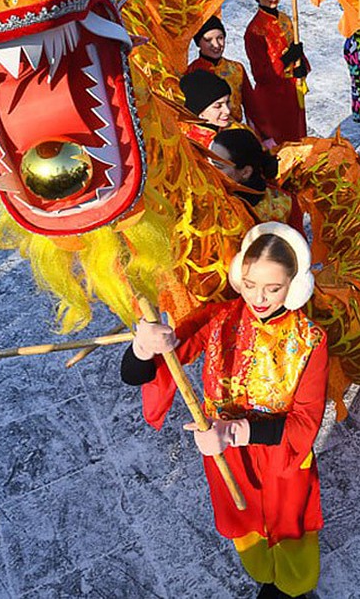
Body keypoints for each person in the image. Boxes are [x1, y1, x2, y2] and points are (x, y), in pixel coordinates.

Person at [122, 222, 328, 599]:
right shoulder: (217, 320)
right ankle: (267, 580)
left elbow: (305, 425)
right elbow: (143, 372)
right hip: (229, 461)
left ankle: (291, 590)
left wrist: (233, 432)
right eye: (250, 285)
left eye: (273, 288)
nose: (259, 298)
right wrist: (144, 347)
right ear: (238, 278)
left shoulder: (311, 340)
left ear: (294, 285)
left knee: (293, 544)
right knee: (248, 533)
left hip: (282, 461)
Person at [244, 0, 308, 145]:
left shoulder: (287, 19)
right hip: (271, 99)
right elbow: (260, 74)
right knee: (279, 145)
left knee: (298, 139)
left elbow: (296, 51)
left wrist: (302, 66)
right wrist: (286, 60)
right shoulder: (254, 31)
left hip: (292, 92)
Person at [185, 15, 255, 129]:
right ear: (198, 43)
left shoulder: (237, 69)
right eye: (208, 40)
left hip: (236, 132)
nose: (216, 45)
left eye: (220, 38)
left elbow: (252, 109)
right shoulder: (191, 73)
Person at [179, 68, 234, 147]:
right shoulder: (185, 142)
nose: (227, 111)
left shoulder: (236, 130)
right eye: (218, 106)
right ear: (200, 113)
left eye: (228, 102)